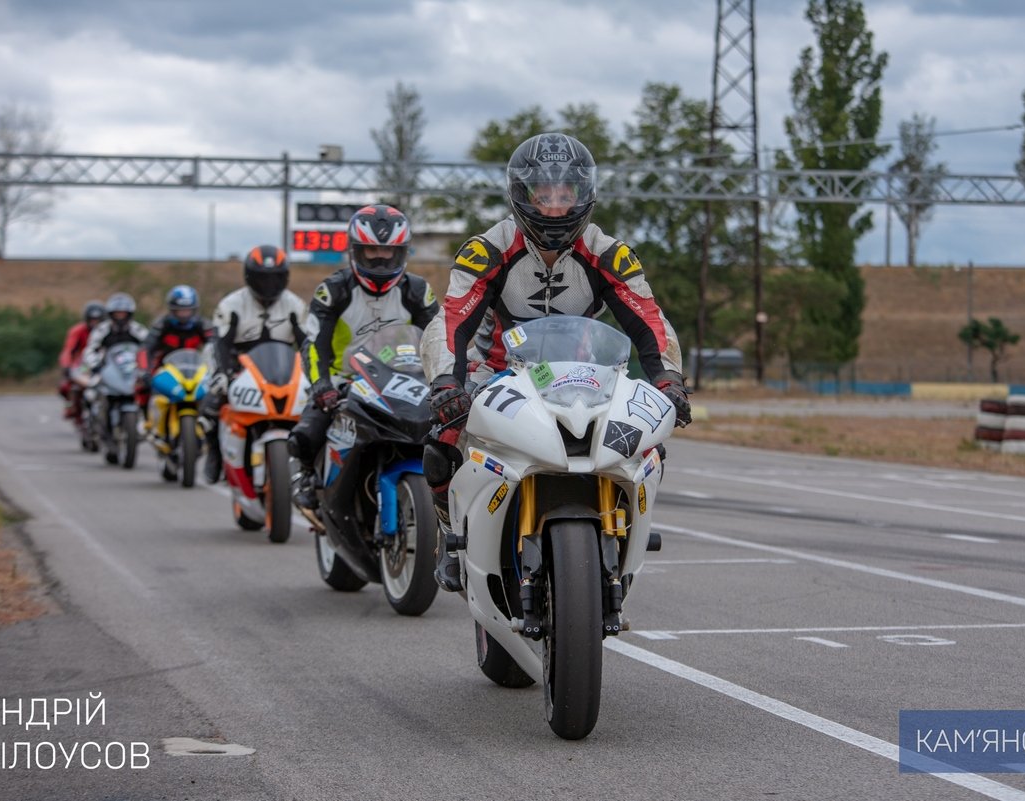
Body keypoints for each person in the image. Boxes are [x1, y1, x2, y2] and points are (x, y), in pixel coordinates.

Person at [420, 132, 692, 592]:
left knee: (648, 445)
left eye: (565, 193)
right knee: (442, 438)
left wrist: (668, 378)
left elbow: (647, 316)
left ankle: (623, 535)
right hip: (498, 370)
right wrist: (448, 382)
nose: (554, 206)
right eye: (542, 193)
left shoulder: (609, 252)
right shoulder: (485, 249)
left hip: (588, 373)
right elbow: (452, 317)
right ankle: (451, 537)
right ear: (521, 194)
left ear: (584, 194)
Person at [288, 204, 439, 511]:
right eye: (371, 251)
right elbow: (314, 346)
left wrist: (448, 382)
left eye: (389, 252)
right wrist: (321, 386)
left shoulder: (418, 292)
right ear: (355, 251)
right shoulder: (332, 292)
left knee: (449, 432)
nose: (381, 259)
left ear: (403, 252)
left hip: (405, 381)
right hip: (345, 382)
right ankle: (305, 476)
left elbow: (439, 341)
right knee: (306, 433)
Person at [200, 245, 308, 484]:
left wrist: (314, 373)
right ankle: (215, 456)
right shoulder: (231, 305)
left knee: (315, 408)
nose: (268, 284)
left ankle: (308, 467)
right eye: (262, 278)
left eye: (275, 278)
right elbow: (220, 344)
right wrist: (223, 373)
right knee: (211, 401)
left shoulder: (295, 305)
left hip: (282, 367)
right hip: (240, 365)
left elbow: (308, 345)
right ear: (249, 277)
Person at [136, 284, 213, 426]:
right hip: (165, 368)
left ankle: (209, 423)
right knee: (143, 384)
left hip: (195, 368)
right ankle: (144, 417)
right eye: (180, 311)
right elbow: (145, 348)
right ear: (172, 310)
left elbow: (215, 345)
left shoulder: (203, 324)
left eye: (187, 311)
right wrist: (144, 371)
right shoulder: (161, 324)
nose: (184, 315)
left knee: (215, 392)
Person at [57, 300, 105, 420]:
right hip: (83, 365)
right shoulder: (77, 331)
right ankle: (72, 405)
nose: (95, 323)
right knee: (66, 386)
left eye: (98, 320)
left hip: (104, 364)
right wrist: (66, 365)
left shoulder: (107, 330)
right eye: (92, 320)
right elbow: (68, 350)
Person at [83, 292, 149, 371]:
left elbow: (149, 346)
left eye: (123, 313)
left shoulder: (138, 329)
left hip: (134, 370)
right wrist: (94, 364)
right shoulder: (101, 330)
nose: (120, 316)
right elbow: (90, 350)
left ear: (129, 314)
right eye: (117, 313)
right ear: (111, 314)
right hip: (108, 371)